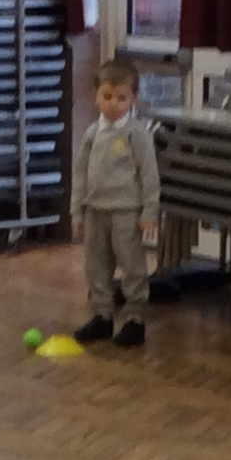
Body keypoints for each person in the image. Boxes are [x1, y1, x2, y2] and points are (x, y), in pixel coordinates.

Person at [72, 59, 161, 348]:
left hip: (126, 212)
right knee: (96, 266)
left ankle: (135, 318)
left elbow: (149, 175)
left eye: (121, 98)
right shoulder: (91, 134)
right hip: (95, 211)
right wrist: (77, 212)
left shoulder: (137, 134)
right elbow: (80, 175)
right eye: (107, 96)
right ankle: (102, 315)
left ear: (134, 99)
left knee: (132, 265)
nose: (114, 104)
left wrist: (149, 211)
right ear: (96, 96)